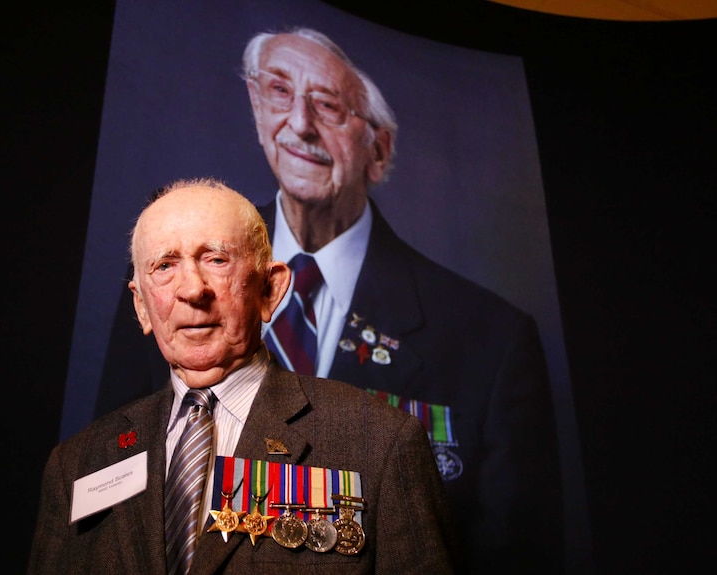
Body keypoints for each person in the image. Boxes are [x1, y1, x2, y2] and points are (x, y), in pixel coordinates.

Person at [94, 28, 563, 573]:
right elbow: (112, 480)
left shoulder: (491, 339)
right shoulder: (164, 283)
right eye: (278, 92)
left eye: (328, 106)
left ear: (379, 148)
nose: (299, 124)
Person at [29, 178, 455, 574]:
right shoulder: (77, 465)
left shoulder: (379, 442)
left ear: (270, 289)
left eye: (216, 259)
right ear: (142, 306)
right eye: (164, 266)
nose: (192, 290)